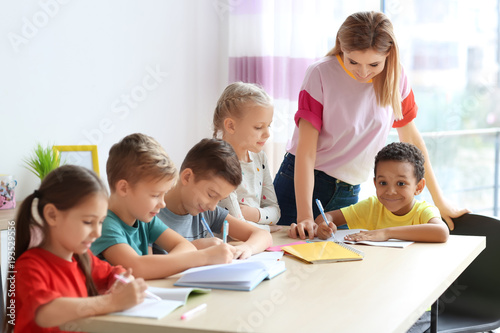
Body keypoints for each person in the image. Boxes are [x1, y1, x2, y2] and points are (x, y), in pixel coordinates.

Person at [274, 11, 468, 239]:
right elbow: (305, 152)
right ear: (341, 47)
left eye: (374, 64)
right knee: (288, 264)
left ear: (389, 55)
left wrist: (440, 201)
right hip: (303, 184)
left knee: (338, 266)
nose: (363, 72)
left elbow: (413, 141)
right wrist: (305, 215)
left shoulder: (397, 77)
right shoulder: (320, 74)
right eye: (353, 61)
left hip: (349, 190)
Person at [4, 165, 147, 333]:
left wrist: (122, 281)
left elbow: (112, 272)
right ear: (52, 215)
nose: (97, 233)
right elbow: (45, 312)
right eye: (88, 222)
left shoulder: (82, 258)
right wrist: (113, 302)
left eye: (100, 222)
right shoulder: (29, 266)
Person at [90, 133, 235, 280]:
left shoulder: (143, 218)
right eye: (155, 195)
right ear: (124, 188)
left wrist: (159, 266)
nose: (163, 203)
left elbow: (186, 246)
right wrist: (204, 257)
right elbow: (137, 268)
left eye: (163, 194)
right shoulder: (104, 225)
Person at [158, 138, 273, 258]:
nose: (213, 207)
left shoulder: (207, 212)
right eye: (211, 195)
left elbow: (263, 235)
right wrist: (195, 248)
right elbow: (147, 265)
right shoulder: (150, 215)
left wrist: (246, 248)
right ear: (187, 177)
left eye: (219, 199)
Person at [316, 142, 449, 243]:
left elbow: (441, 232)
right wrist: (324, 226)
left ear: (418, 187)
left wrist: (386, 233)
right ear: (375, 183)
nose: (390, 192)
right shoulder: (371, 207)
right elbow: (327, 216)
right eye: (383, 183)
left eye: (401, 184)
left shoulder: (423, 211)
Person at [213, 82, 282, 232]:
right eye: (258, 127)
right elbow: (235, 227)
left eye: (268, 126)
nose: (267, 134)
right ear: (231, 126)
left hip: (254, 242)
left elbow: (275, 212)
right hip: (229, 246)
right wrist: (269, 228)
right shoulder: (218, 163)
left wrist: (255, 214)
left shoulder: (259, 158)